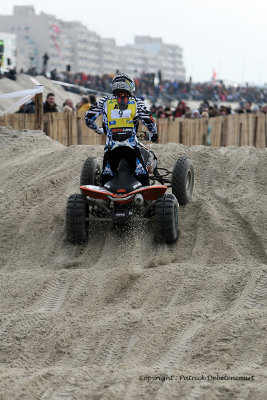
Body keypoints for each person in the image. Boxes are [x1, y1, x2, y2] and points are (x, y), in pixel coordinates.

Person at [85, 72, 158, 186]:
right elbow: (150, 121)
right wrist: (154, 134)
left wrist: (99, 130)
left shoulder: (104, 101)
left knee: (105, 180)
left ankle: (105, 201)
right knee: (143, 179)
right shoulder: (137, 101)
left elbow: (88, 118)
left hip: (111, 147)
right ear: (130, 86)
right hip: (132, 147)